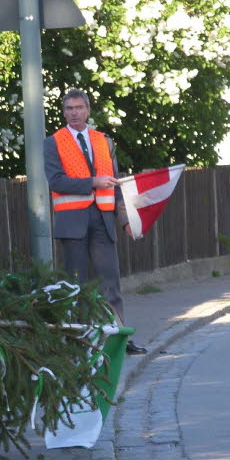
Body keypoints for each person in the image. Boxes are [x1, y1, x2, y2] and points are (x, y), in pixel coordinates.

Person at [44, 88, 146, 355]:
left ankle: (118, 339)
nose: (74, 113)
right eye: (69, 109)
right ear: (64, 112)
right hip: (73, 221)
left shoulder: (104, 141)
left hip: (103, 219)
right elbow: (56, 181)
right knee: (75, 284)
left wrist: (125, 220)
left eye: (79, 108)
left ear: (88, 110)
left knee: (110, 281)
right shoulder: (53, 142)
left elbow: (115, 185)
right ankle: (79, 342)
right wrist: (92, 182)